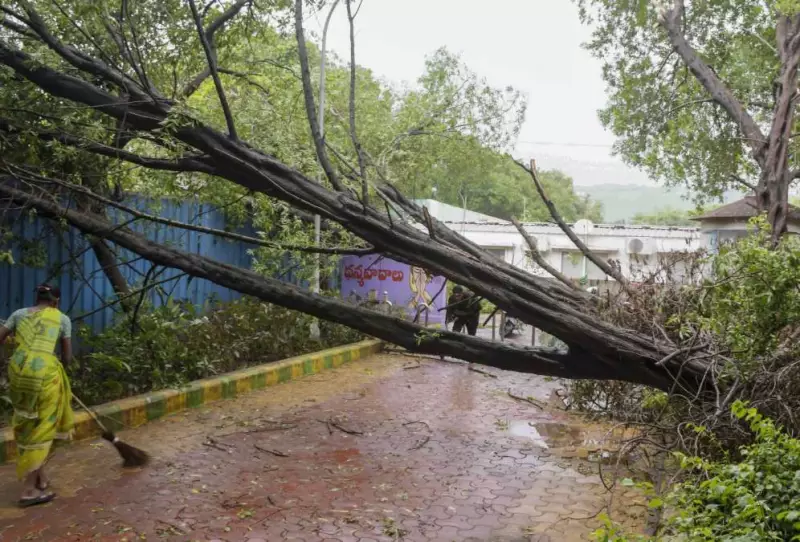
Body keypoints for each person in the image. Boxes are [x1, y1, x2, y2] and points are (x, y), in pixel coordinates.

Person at [0, 284, 74, 507]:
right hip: (44, 376)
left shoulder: (19, 314)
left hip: (18, 373)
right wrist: (62, 371)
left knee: (27, 422)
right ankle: (29, 491)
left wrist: (2, 364)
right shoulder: (61, 319)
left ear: (38, 297)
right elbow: (67, 358)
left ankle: (40, 477)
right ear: (56, 301)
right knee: (43, 429)